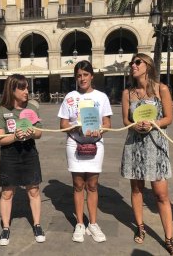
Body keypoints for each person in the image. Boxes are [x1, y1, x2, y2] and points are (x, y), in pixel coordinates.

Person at [120, 53, 173, 256]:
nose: (133, 66)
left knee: (161, 194)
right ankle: (140, 226)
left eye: (138, 62)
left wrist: (153, 123)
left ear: (148, 66)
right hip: (135, 145)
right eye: (132, 63)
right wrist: (135, 125)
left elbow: (169, 118)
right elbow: (125, 121)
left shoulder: (161, 89)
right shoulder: (127, 93)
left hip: (156, 144)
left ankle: (169, 239)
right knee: (136, 189)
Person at [58, 60, 112, 243]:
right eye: (79, 75)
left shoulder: (101, 97)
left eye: (85, 75)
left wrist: (100, 130)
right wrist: (75, 128)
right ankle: (80, 223)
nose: (82, 78)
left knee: (93, 185)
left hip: (96, 143)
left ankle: (93, 223)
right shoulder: (70, 97)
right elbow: (63, 124)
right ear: (76, 77)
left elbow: (107, 123)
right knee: (78, 184)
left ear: (91, 76)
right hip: (75, 143)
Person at [0, 74, 45, 246]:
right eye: (22, 88)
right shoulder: (2, 111)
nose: (26, 91)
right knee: (7, 192)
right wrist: (14, 136)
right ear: (12, 90)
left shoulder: (32, 107)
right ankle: (6, 228)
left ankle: (37, 225)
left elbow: (39, 132)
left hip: (29, 152)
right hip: (10, 154)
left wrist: (32, 132)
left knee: (34, 190)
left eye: (27, 87)